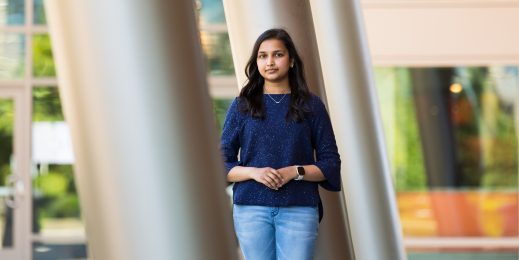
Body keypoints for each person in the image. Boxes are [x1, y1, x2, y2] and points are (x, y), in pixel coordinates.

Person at [220, 28, 341, 260]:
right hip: (251, 210)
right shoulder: (242, 106)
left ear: (292, 60)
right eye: (262, 56)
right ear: (256, 62)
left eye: (278, 54)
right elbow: (221, 164)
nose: (270, 62)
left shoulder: (312, 106)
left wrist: (294, 172)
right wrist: (254, 172)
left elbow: (331, 163)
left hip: (299, 208)